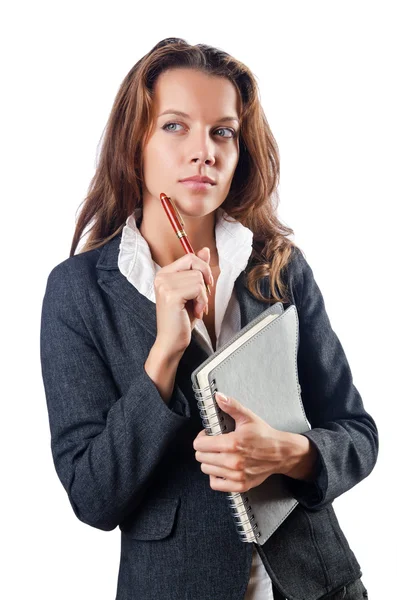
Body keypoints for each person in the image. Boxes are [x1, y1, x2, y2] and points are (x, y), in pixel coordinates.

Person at [40, 38, 376, 600]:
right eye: (175, 126)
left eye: (222, 131)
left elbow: (357, 434)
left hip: (318, 586)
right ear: (135, 143)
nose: (205, 151)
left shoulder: (279, 269)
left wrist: (290, 453)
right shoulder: (78, 292)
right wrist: (163, 356)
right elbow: (92, 496)